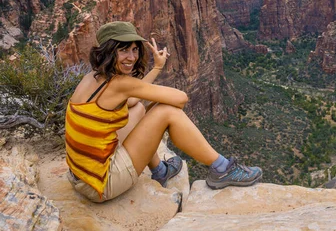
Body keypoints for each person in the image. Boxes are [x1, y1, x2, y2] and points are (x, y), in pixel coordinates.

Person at [65, 21, 262, 202]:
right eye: (123, 50)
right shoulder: (120, 83)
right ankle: (222, 169)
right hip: (102, 184)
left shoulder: (92, 77)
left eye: (135, 50)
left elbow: (133, 98)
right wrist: (159, 109)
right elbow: (181, 98)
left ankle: (159, 170)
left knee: (138, 108)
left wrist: (158, 68)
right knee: (167, 111)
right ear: (108, 51)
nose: (132, 57)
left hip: (81, 176)